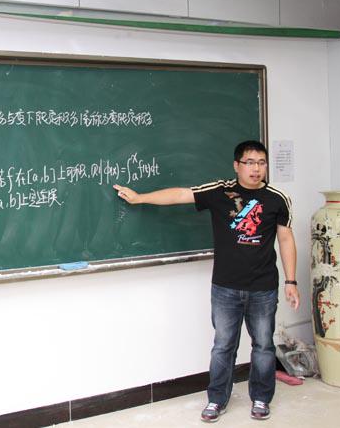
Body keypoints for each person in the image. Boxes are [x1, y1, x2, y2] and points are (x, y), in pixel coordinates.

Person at [113, 140, 299, 423]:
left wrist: (291, 281)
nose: (256, 169)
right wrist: (140, 198)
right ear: (236, 165)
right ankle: (217, 399)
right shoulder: (220, 191)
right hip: (225, 287)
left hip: (263, 288)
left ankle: (261, 397)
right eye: (249, 162)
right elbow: (180, 194)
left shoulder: (277, 198)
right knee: (223, 346)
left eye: (261, 163)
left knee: (263, 346)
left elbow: (285, 239)